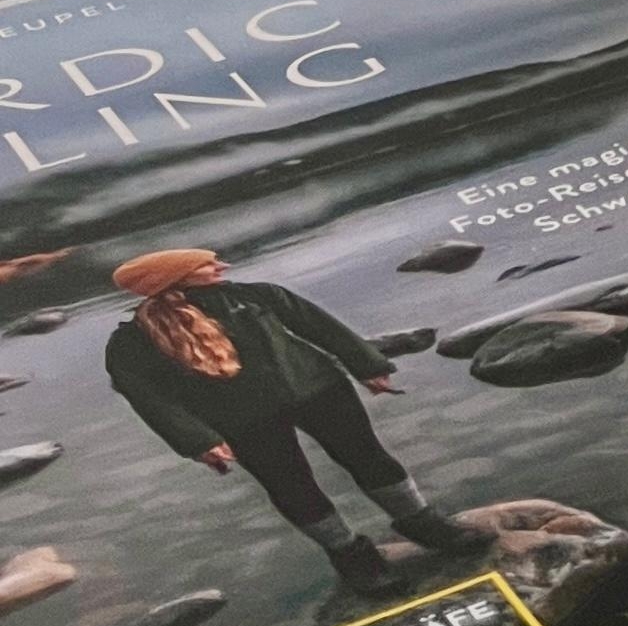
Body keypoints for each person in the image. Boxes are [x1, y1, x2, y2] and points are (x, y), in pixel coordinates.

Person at [103, 248, 493, 596]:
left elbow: (318, 326)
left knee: (369, 457)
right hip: (242, 419)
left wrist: (367, 366)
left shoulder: (257, 297)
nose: (222, 265)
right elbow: (147, 397)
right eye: (207, 265)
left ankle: (421, 522)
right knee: (291, 485)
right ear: (175, 278)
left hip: (318, 388)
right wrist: (198, 440)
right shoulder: (133, 341)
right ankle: (350, 555)